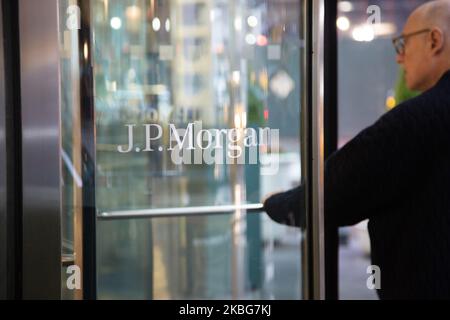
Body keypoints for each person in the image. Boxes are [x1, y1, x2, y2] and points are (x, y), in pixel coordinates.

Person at [263, 0, 450, 299]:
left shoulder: (417, 121)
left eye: (403, 43)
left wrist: (275, 203)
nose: (399, 58)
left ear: (434, 40)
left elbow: (335, 193)